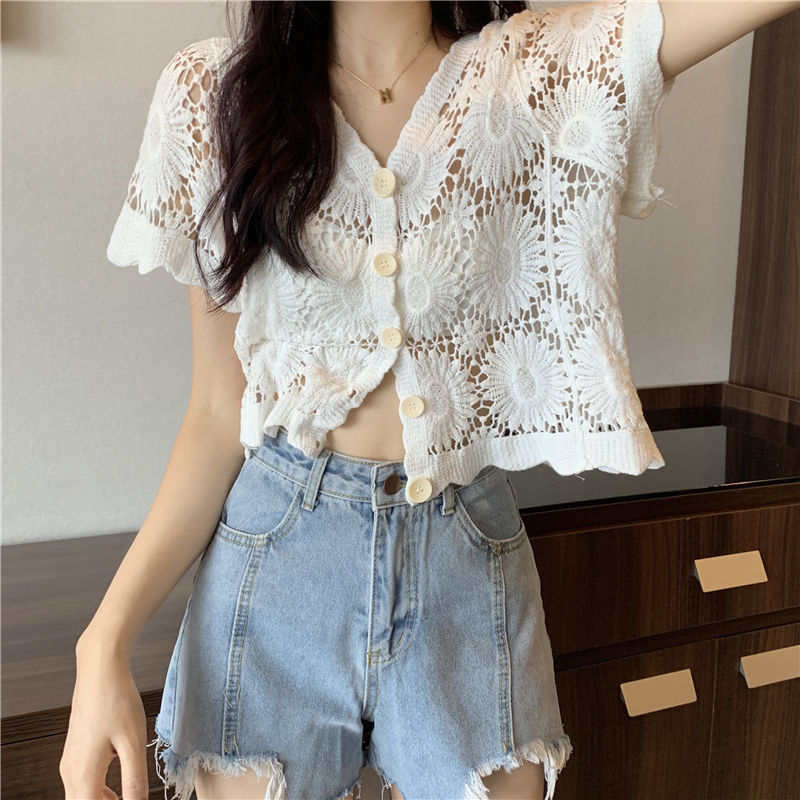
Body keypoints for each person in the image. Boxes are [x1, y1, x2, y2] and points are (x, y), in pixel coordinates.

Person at [60, 1, 800, 799]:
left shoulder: (532, 73)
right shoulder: (215, 94)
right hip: (277, 564)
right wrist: (103, 641)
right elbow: (216, 415)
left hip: (464, 560)